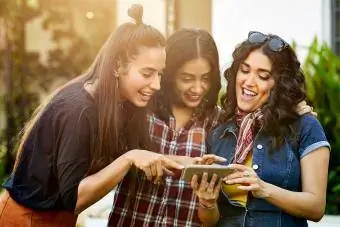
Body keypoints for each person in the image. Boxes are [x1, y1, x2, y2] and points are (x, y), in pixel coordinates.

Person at [0, 5, 183, 227]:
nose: (156, 84)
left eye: (160, 74)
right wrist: (128, 158)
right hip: (24, 220)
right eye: (147, 73)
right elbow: (74, 199)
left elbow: (148, 157)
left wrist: (196, 165)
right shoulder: (79, 109)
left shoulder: (121, 106)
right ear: (117, 66)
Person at [191, 31, 330, 227]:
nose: (249, 82)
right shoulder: (220, 129)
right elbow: (210, 220)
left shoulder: (305, 126)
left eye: (263, 76)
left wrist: (263, 189)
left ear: (280, 84)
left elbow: (316, 208)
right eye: (244, 70)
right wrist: (207, 202)